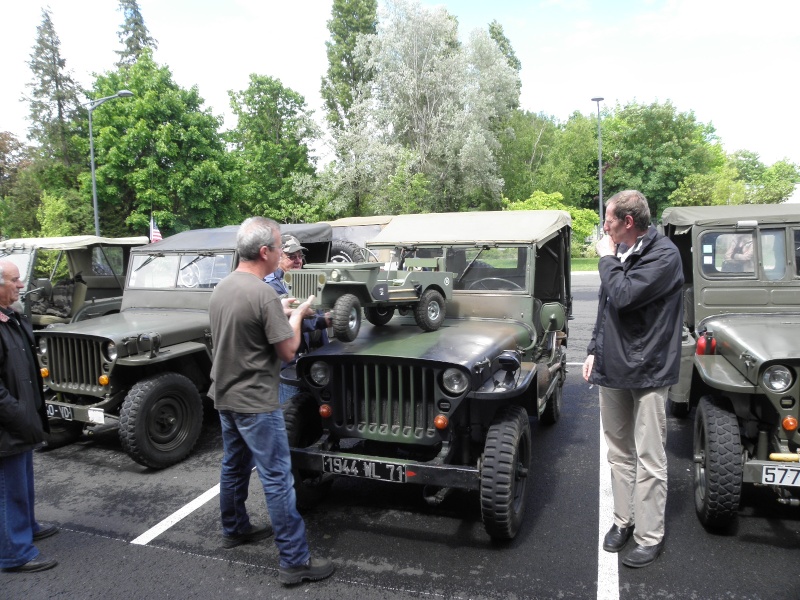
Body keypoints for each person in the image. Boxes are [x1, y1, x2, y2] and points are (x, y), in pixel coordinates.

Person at [208, 217, 335, 585]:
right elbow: (288, 350)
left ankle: (234, 528)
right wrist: (297, 314)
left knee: (234, 465)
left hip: (224, 395)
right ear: (265, 252)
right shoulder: (263, 293)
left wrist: (279, 312)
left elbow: (242, 330)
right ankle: (295, 561)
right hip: (255, 403)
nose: (283, 254)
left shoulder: (224, 287)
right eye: (280, 248)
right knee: (277, 478)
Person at [582, 190, 684, 569]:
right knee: (619, 453)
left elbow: (623, 294)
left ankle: (649, 536)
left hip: (648, 370)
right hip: (613, 367)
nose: (604, 226)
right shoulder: (623, 251)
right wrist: (593, 348)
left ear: (627, 222)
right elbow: (607, 306)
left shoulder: (663, 255)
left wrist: (606, 259)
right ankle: (623, 521)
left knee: (650, 457)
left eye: (608, 220)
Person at [0, 260, 59, 573]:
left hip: (22, 418)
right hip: (9, 423)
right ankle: (14, 552)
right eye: (14, 281)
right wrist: (20, 413)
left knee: (22, 482)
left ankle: (28, 527)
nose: (21, 285)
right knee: (8, 488)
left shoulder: (11, 317)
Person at [264, 234, 331, 405]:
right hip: (287, 366)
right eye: (291, 257)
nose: (298, 261)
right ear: (278, 257)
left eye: (300, 256)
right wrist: (324, 320)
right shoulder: (270, 287)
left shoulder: (305, 281)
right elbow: (292, 321)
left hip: (312, 363)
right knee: (290, 415)